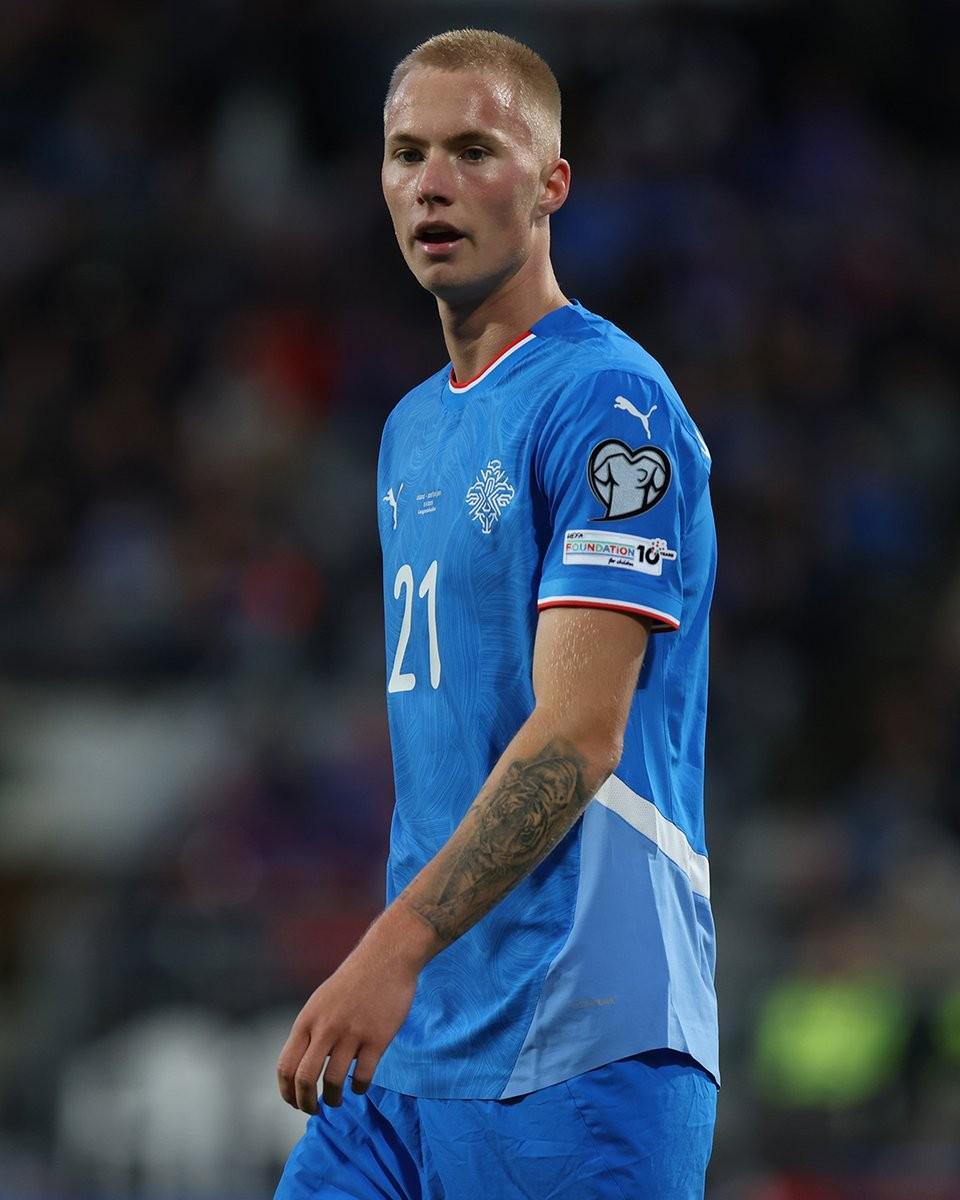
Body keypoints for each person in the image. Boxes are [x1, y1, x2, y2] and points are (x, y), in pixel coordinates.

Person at [275, 27, 718, 1199]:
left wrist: (390, 947)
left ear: (551, 182)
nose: (433, 182)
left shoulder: (607, 402)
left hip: (581, 1044)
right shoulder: (410, 427)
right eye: (407, 153)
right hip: (416, 1053)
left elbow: (577, 733)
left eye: (474, 150)